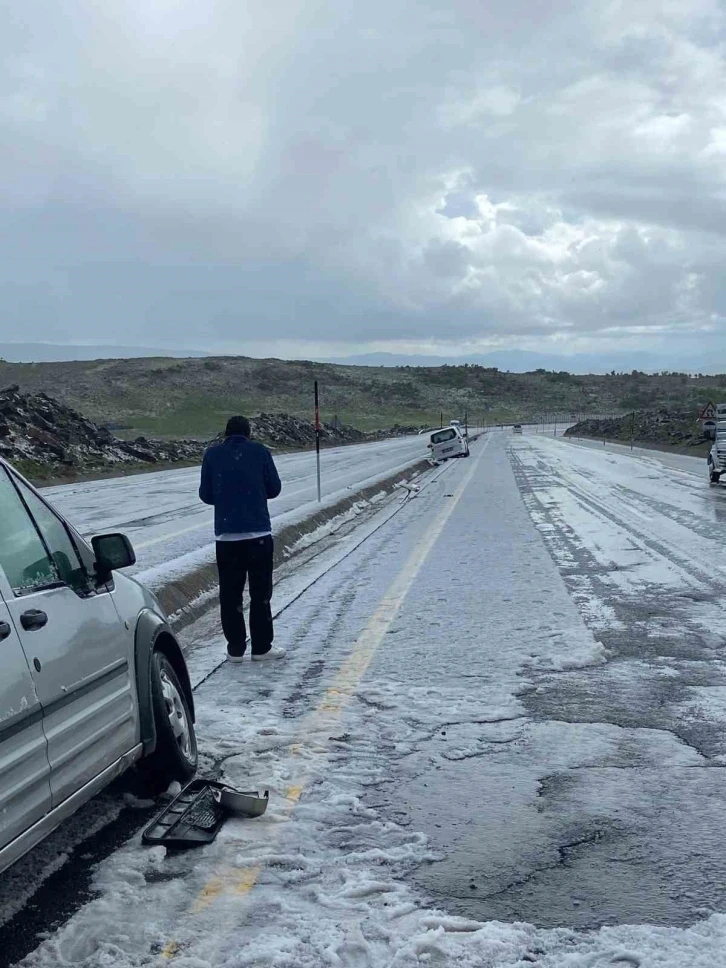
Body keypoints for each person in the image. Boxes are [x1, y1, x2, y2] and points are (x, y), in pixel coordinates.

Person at [199, 416, 284, 662]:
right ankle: (261, 647)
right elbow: (274, 489)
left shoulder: (212, 455)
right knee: (260, 594)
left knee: (230, 594)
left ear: (226, 434)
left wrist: (226, 497)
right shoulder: (260, 452)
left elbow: (205, 494)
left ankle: (235, 648)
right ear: (248, 434)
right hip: (258, 533)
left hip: (226, 538)